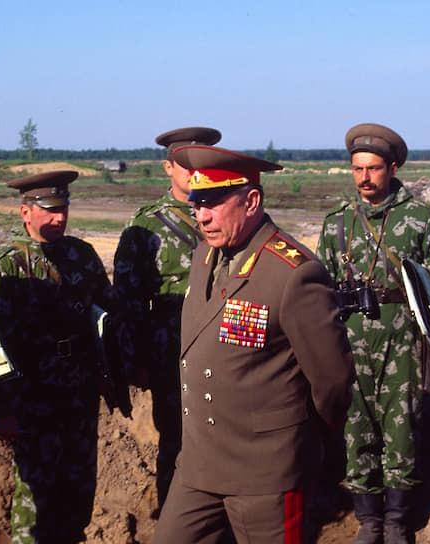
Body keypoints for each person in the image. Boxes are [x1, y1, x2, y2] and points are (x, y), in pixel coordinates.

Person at [153, 145, 355, 544]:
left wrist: (300, 445)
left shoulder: (293, 274)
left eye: (213, 202)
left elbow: (332, 381)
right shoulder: (203, 258)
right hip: (198, 465)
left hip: (265, 473)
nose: (202, 215)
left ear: (251, 201)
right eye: (197, 204)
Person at [316, 123, 430, 543]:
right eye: (357, 169)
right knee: (357, 429)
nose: (364, 178)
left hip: (402, 339)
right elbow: (318, 285)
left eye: (373, 169)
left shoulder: (417, 218)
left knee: (401, 426)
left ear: (392, 168)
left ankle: (396, 523)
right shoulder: (338, 222)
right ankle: (368, 522)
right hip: (350, 337)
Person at [0, 170, 123, 543]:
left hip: (78, 395)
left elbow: (107, 316)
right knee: (34, 504)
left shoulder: (82, 255)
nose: (59, 218)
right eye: (49, 210)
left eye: (63, 208)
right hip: (33, 401)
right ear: (26, 212)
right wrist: (2, 410)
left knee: (77, 494)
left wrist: (109, 372)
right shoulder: (6, 265)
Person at [113, 126, 221, 513]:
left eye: (203, 164)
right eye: (185, 165)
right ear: (167, 167)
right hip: (168, 352)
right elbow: (126, 300)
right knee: (176, 440)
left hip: (225, 350)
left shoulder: (227, 212)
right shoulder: (147, 226)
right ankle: (174, 522)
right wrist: (134, 360)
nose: (195, 173)